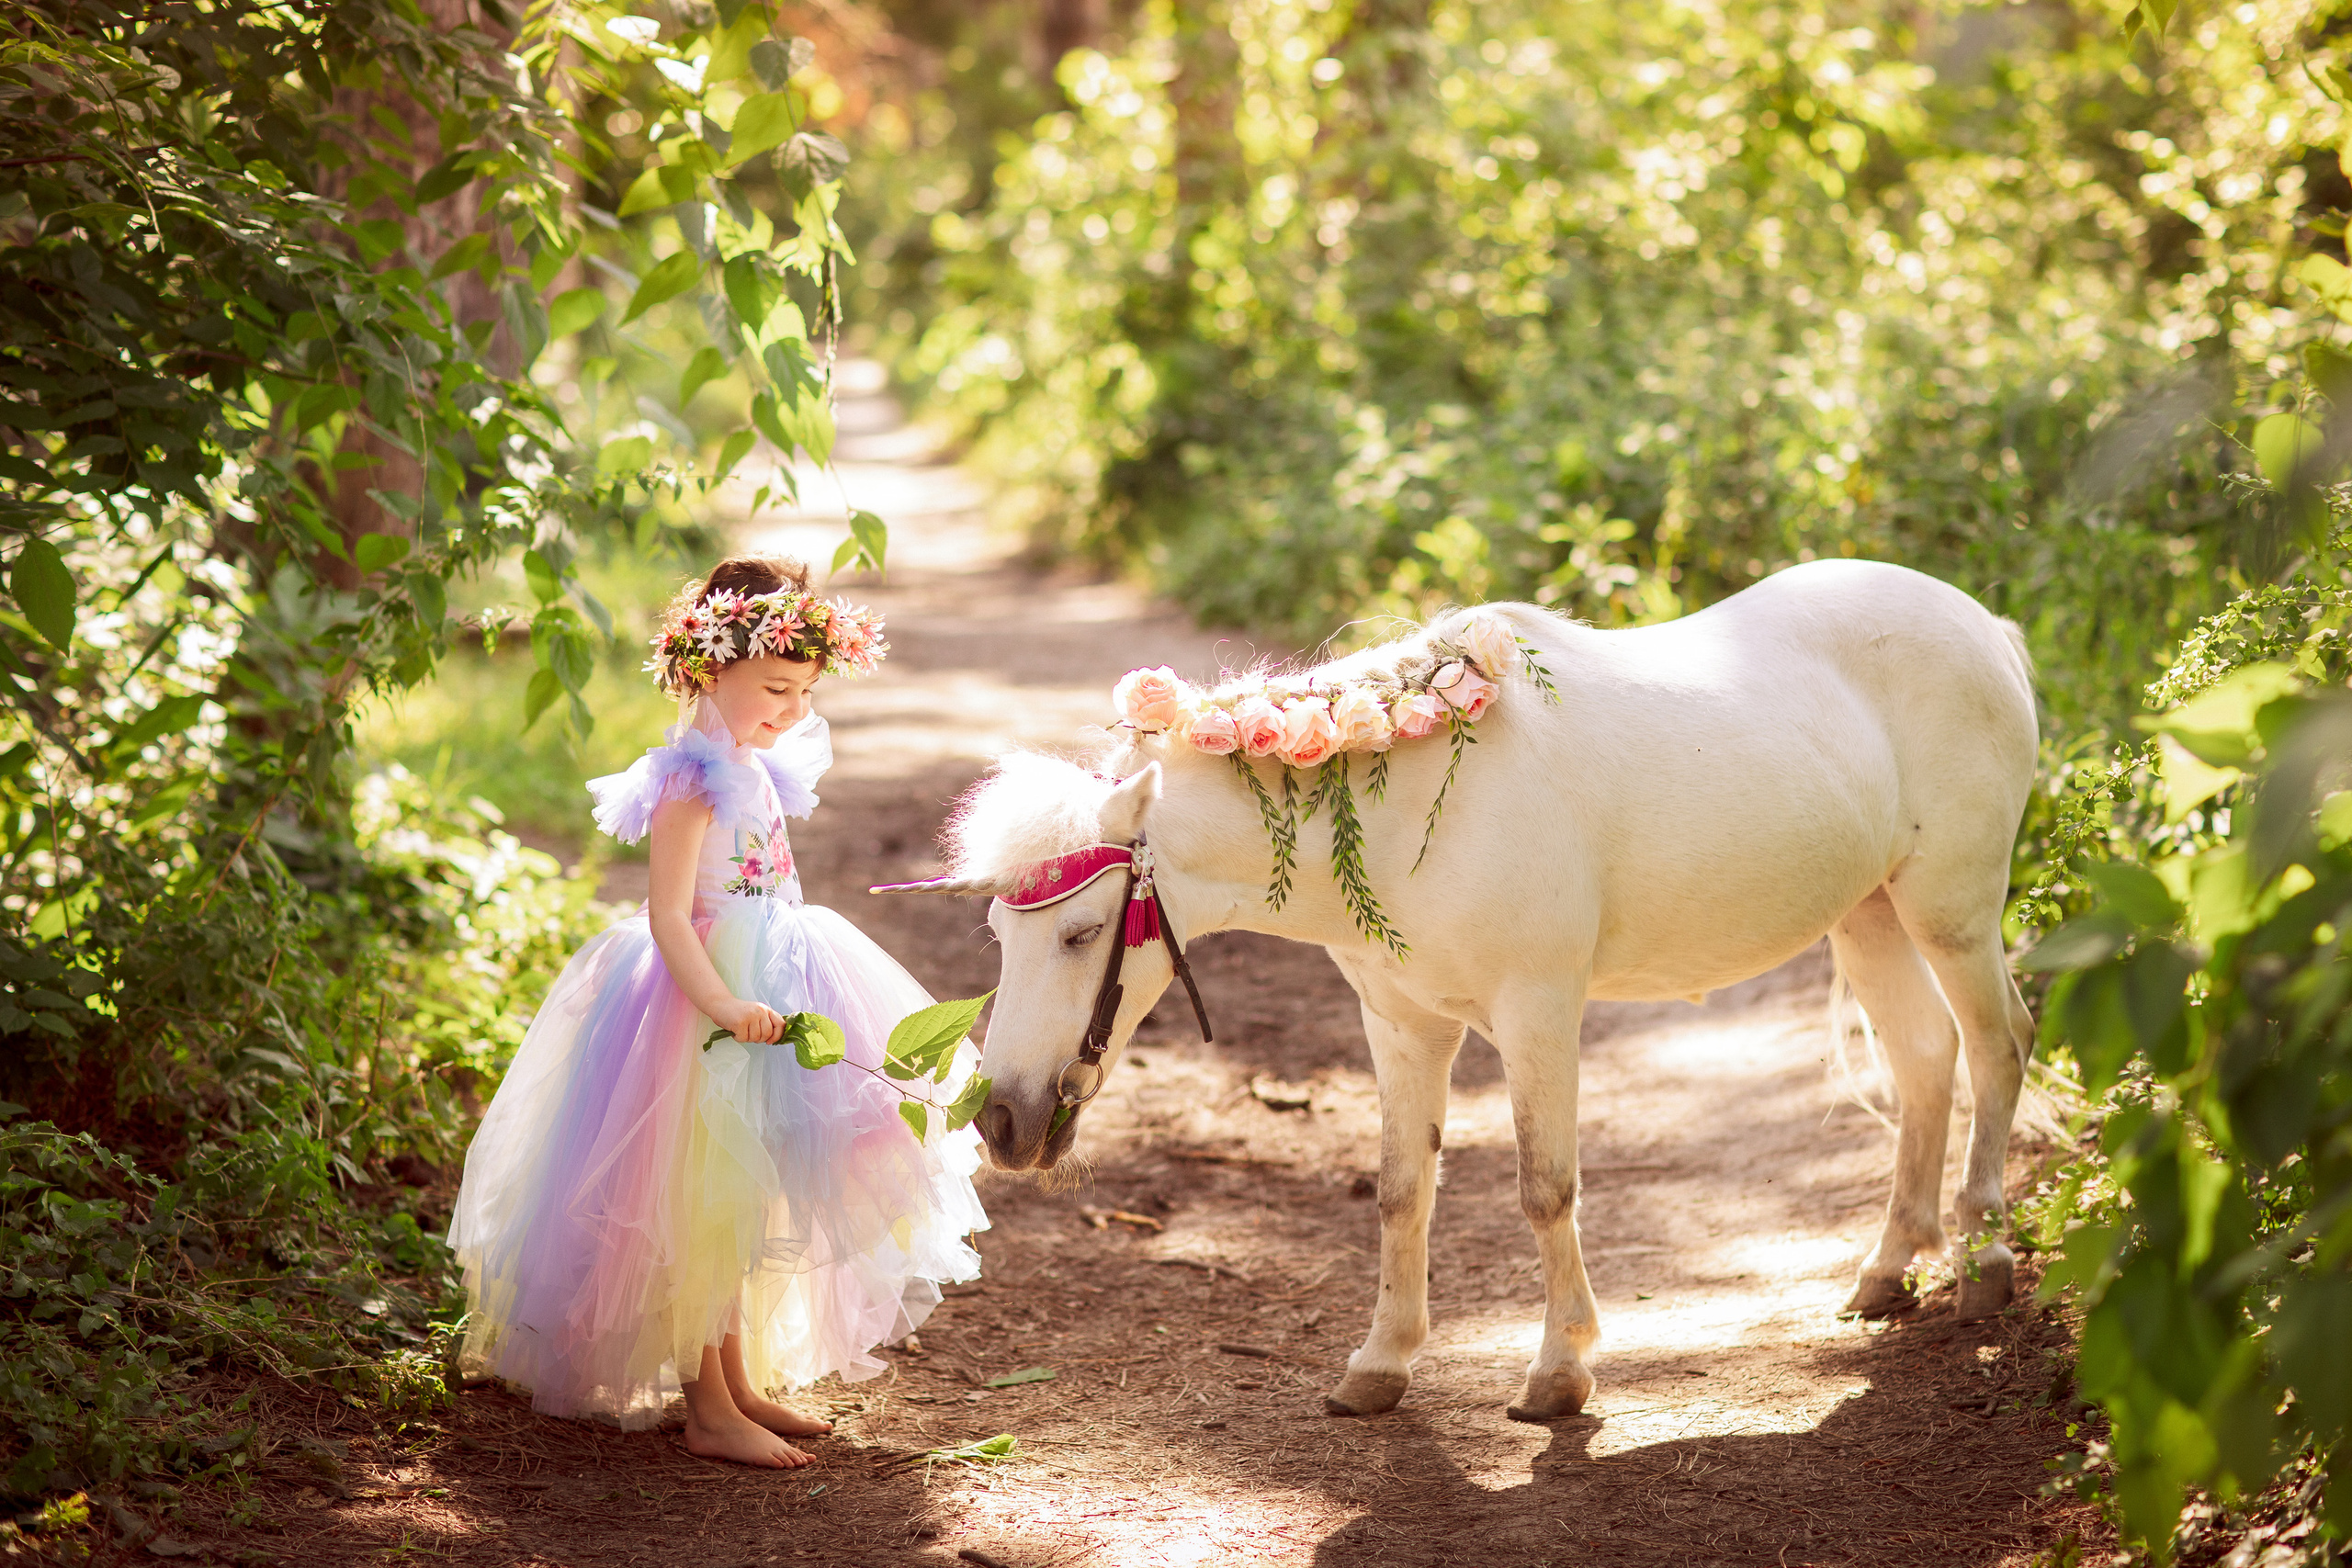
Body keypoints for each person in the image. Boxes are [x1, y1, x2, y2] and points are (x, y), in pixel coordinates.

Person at [447, 555, 987, 1469]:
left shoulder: (750, 764)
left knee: (742, 1189)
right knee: (697, 1199)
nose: (792, 710)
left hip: (772, 978)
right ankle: (705, 1407)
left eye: (806, 692)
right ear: (709, 666)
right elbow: (667, 915)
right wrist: (724, 1001)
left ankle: (736, 1382)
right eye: (777, 687)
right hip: (697, 1005)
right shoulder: (690, 778)